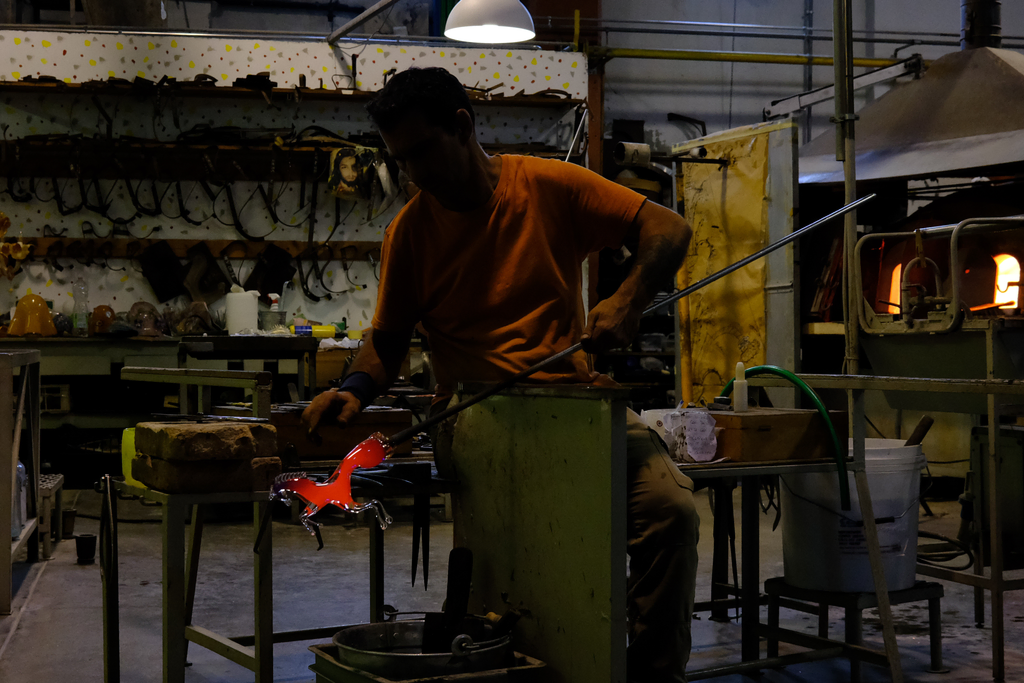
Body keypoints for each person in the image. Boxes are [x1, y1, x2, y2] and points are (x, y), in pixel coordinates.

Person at [302, 67, 700, 683]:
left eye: (422, 152)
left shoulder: (546, 186)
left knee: (669, 509)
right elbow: (387, 342)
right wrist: (352, 390)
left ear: (463, 126)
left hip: (574, 406)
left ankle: (650, 674)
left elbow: (668, 227)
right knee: (528, 559)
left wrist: (630, 297)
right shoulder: (409, 233)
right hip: (475, 417)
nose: (413, 174)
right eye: (399, 159)